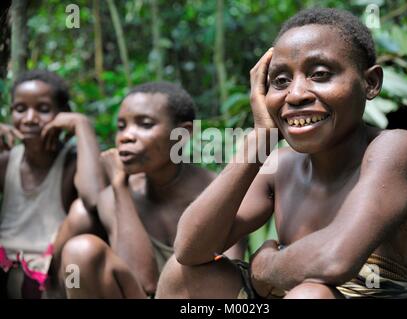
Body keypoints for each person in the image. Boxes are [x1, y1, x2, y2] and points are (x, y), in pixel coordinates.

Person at [155, 8, 407, 299]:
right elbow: (189, 249)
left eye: (319, 74)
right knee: (181, 276)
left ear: (370, 83)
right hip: (288, 293)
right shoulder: (280, 167)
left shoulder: (395, 149)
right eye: (280, 81)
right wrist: (260, 139)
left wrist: (265, 266)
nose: (295, 95)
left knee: (310, 295)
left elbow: (335, 259)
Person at [60, 82, 247, 298]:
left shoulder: (222, 193)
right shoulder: (117, 194)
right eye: (121, 126)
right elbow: (143, 283)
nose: (126, 136)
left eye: (145, 124)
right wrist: (119, 188)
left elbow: (230, 284)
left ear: (182, 134)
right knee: (79, 250)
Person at [0, 70, 105, 298]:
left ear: (62, 115)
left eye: (43, 109)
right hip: (7, 266)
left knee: (82, 215)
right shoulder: (7, 162)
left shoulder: (71, 163)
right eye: (20, 109)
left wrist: (82, 125)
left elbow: (95, 198)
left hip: (53, 275)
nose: (29, 118)